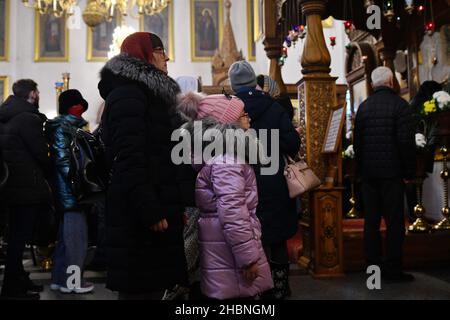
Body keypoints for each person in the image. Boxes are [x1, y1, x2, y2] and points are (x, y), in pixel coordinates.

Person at [98, 32, 195, 299]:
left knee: (151, 287)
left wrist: (174, 204)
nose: (167, 59)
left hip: (154, 205)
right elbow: (129, 158)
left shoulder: (146, 94)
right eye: (162, 51)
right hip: (140, 213)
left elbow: (160, 155)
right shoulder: (129, 95)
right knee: (140, 290)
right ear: (146, 54)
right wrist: (150, 210)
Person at [177, 92, 273, 300]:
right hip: (231, 254)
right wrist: (248, 258)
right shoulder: (227, 161)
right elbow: (233, 214)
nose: (248, 118)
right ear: (227, 125)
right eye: (242, 114)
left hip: (223, 247)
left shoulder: (219, 156)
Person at [228, 61, 301, 299]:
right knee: (277, 238)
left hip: (240, 185)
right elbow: (292, 143)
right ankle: (279, 290)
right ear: (253, 81)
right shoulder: (274, 107)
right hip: (273, 182)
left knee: (247, 238)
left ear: (232, 84)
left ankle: (254, 293)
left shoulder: (229, 110)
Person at [353, 66, 416, 282]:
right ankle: (393, 270)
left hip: (369, 176)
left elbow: (358, 145)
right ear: (391, 82)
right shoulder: (401, 106)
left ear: (372, 84)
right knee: (394, 222)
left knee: (371, 222)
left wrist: (360, 173)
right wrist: (409, 172)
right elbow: (406, 142)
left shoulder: (364, 108)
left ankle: (373, 270)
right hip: (392, 174)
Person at [0, 79, 50, 299]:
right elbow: (41, 154)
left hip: (8, 186)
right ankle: (13, 288)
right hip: (26, 188)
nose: (38, 94)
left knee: (14, 239)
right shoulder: (28, 119)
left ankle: (19, 279)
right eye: (37, 91)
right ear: (31, 94)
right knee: (19, 239)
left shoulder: (4, 116)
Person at [45, 89, 94, 294]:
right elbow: (64, 160)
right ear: (75, 107)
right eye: (79, 104)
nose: (82, 108)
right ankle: (72, 282)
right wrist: (79, 186)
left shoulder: (67, 127)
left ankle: (60, 279)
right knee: (77, 239)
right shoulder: (64, 128)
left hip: (69, 191)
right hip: (72, 192)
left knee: (67, 239)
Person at [406, 81, 442, 222]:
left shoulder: (413, 102)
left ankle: (414, 213)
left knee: (413, 181)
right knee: (416, 181)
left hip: (413, 148)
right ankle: (417, 214)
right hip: (421, 148)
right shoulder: (424, 103)